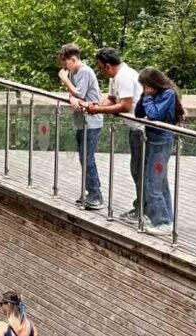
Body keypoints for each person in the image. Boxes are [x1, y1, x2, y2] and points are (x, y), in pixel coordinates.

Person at [82, 48, 143, 222]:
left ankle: (143, 211)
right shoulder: (115, 77)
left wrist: (98, 110)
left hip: (142, 129)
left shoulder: (124, 76)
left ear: (108, 65)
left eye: (100, 67)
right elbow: (112, 99)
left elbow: (124, 105)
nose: (100, 71)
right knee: (136, 170)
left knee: (140, 171)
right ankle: (139, 208)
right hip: (134, 128)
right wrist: (97, 105)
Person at [134, 67, 184, 235]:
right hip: (152, 139)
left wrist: (148, 97)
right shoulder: (151, 95)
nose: (144, 89)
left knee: (151, 183)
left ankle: (162, 221)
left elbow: (154, 115)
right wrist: (144, 96)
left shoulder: (168, 94)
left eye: (145, 86)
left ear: (153, 83)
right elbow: (139, 113)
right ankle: (167, 220)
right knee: (160, 182)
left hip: (162, 141)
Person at [58, 43, 104, 210]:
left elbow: (79, 93)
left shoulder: (84, 71)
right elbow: (73, 95)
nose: (64, 67)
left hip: (91, 121)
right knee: (83, 158)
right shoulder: (73, 72)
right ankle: (90, 191)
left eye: (66, 63)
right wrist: (71, 97)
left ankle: (96, 194)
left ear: (74, 59)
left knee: (87, 158)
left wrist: (65, 80)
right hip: (80, 120)